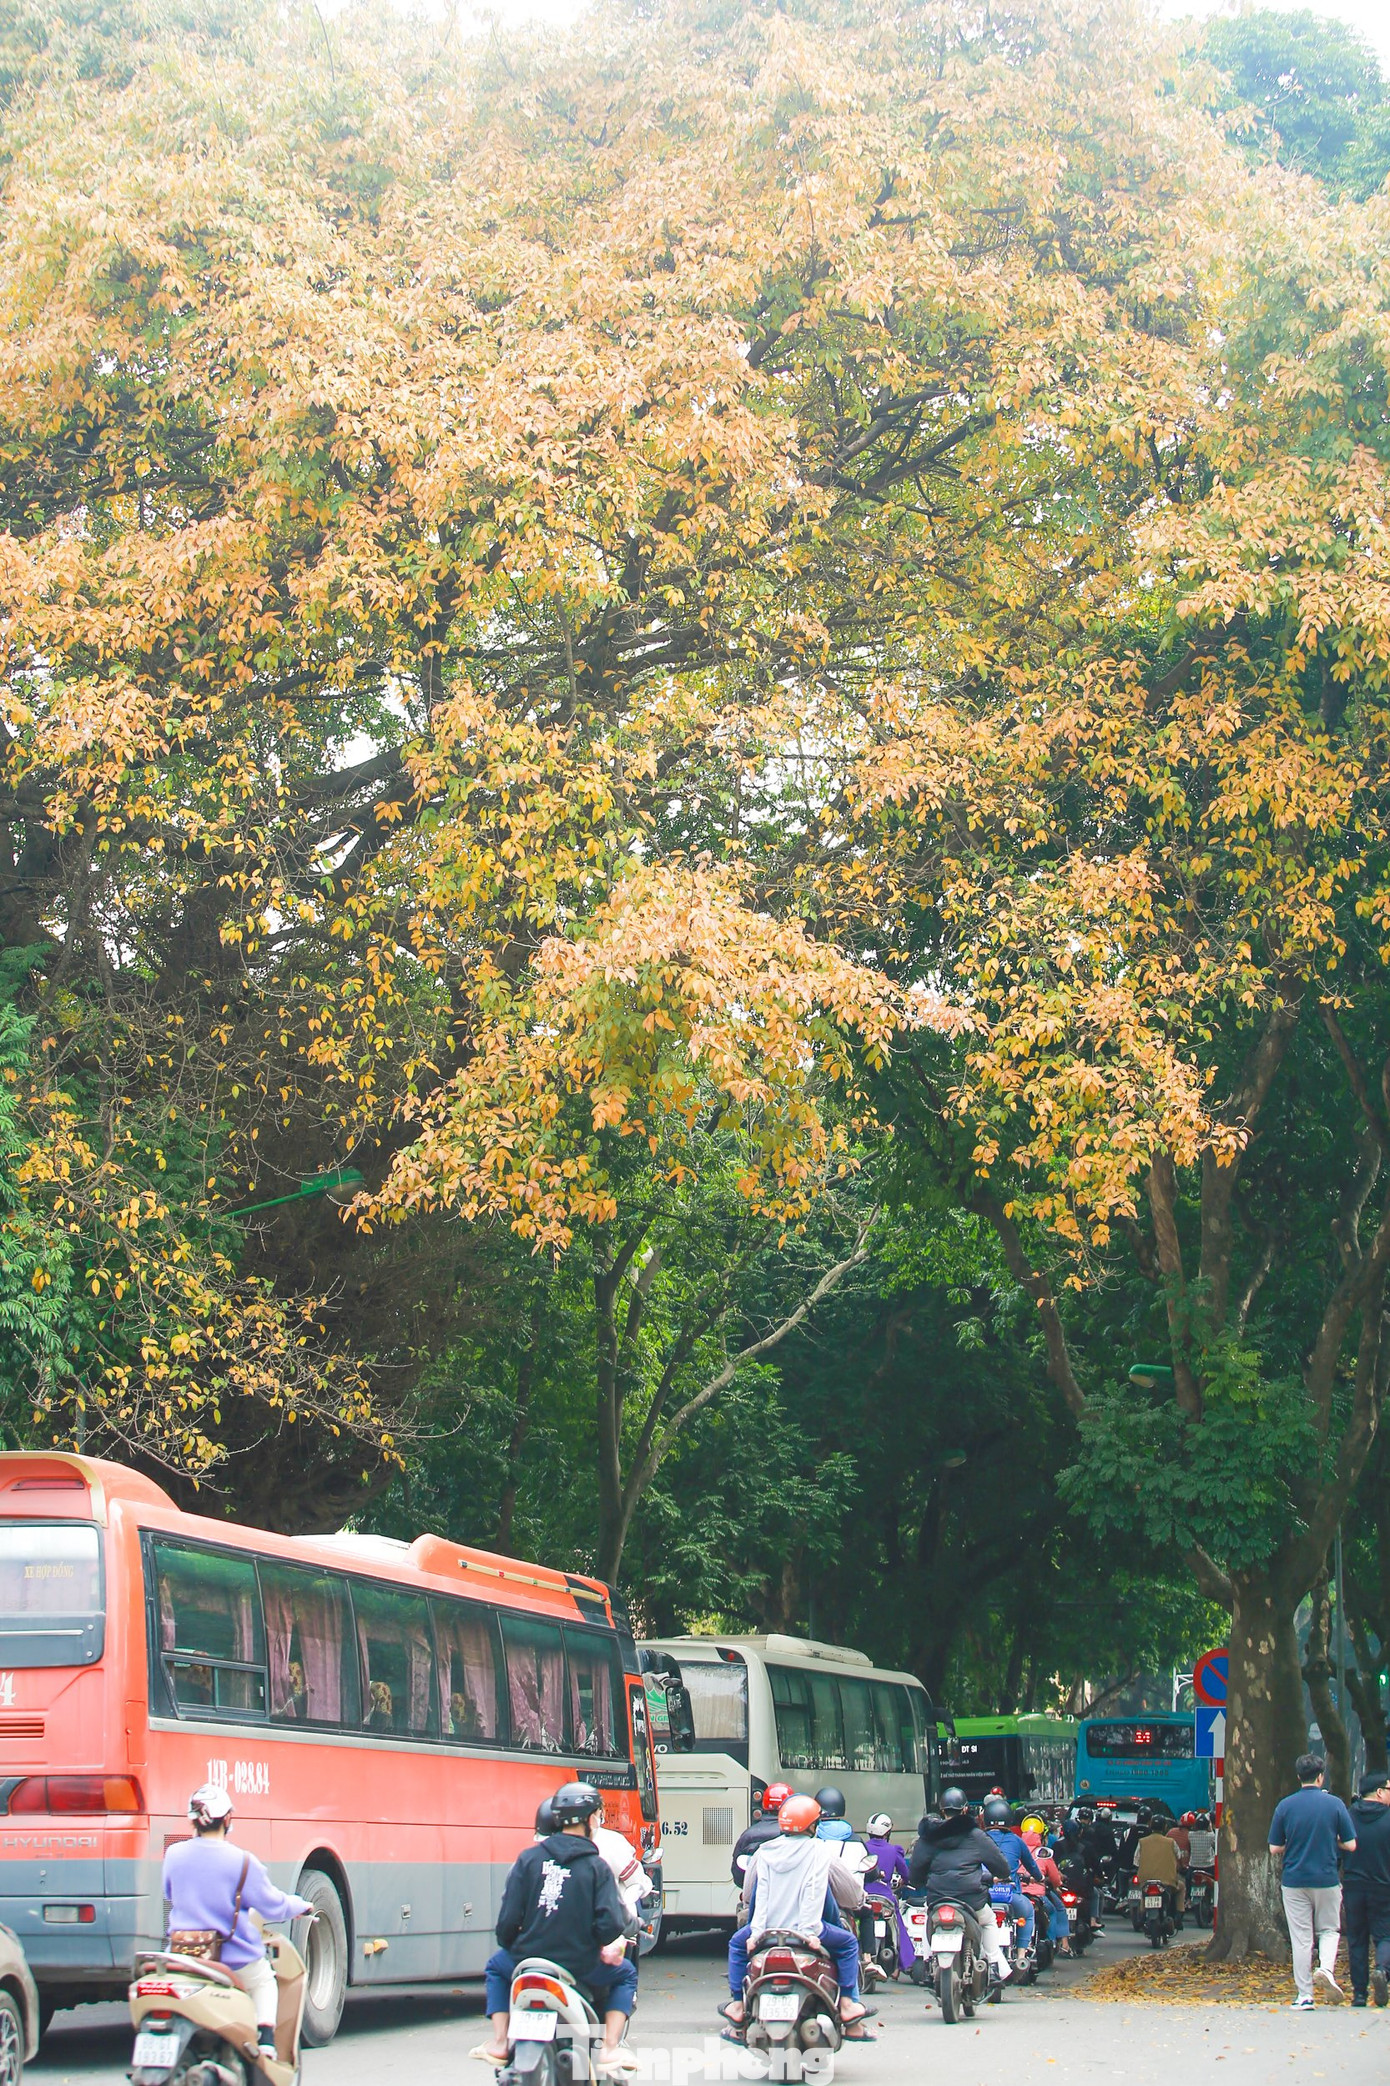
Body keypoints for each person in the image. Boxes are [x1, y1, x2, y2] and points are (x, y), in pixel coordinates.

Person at [475, 1781, 638, 2075]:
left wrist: (515, 1946)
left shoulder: (528, 1859)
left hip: (527, 1961)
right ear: (591, 1820)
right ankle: (610, 2047)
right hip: (580, 1965)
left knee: (495, 1967)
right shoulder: (596, 1867)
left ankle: (500, 2041)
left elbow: (507, 1923)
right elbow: (611, 1925)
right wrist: (600, 1944)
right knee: (625, 1973)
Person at [162, 1784, 314, 2063]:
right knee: (264, 1980)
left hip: (182, 1957)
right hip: (231, 1959)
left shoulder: (173, 1854)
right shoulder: (242, 1862)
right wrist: (300, 1905)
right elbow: (272, 1904)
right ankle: (266, 2041)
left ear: (193, 1820)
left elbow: (170, 1893)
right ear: (227, 1819)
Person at [724, 1794, 869, 2031]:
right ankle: (847, 2003)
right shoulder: (820, 1851)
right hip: (810, 1930)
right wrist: (811, 1931)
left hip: (766, 1930)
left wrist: (756, 1932)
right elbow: (830, 1892)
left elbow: (754, 1893)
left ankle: (737, 2004)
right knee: (849, 1944)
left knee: (737, 1945)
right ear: (812, 1825)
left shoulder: (764, 1851)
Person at [1268, 1752, 1357, 2009]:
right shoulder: (1335, 1805)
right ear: (1321, 1777)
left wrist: (1293, 1843)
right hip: (1327, 1878)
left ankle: (1304, 1995)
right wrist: (1333, 1840)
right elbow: (1351, 1844)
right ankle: (1326, 1969)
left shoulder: (1285, 1806)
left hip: (1294, 1880)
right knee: (1329, 1930)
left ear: (1299, 1777)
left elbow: (1275, 1847)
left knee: (1301, 1939)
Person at [907, 1787, 1014, 1985]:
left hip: (937, 1898)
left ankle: (928, 1962)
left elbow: (915, 1873)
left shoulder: (928, 1838)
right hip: (971, 1899)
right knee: (989, 1921)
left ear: (942, 1810)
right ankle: (993, 1966)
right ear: (965, 1809)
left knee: (927, 1919)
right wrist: (994, 1875)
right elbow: (1002, 1868)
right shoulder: (976, 1836)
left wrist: (922, 1882)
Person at [1343, 1770, 1390, 2008]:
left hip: (1353, 1886)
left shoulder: (1349, 1815)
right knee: (1385, 1936)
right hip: (1383, 1886)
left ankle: (1359, 1994)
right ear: (1380, 1792)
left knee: (1357, 1939)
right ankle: (1382, 1970)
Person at [982, 1794, 1042, 1952]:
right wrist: (1040, 1878)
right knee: (1028, 1913)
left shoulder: (978, 1838)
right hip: (1010, 1896)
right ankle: (1021, 1954)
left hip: (982, 1895)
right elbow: (1032, 1866)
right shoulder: (1016, 1840)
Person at [863, 1813, 914, 1974]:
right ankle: (906, 1962)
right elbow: (905, 1873)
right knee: (899, 1927)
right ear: (887, 1832)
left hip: (863, 1895)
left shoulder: (862, 1847)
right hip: (885, 1897)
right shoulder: (893, 1850)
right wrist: (905, 1881)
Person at [729, 1782, 793, 1887]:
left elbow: (738, 1876)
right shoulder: (794, 1835)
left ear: (764, 1804)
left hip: (756, 1892)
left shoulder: (748, 1835)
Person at [1135, 1813, 1186, 1915]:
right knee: (1182, 1887)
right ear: (1165, 1827)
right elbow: (1179, 1857)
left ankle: (1142, 1912)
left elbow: (1136, 1862)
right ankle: (1179, 1914)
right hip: (1167, 1882)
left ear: (1150, 1826)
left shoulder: (1142, 1842)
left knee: (1143, 1893)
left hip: (1145, 1881)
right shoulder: (1171, 1842)